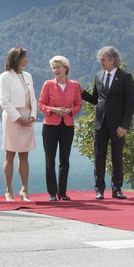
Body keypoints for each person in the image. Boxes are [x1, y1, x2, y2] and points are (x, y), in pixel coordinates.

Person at [81, 46, 134, 200]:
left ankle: (117, 189)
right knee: (99, 157)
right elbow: (95, 99)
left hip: (118, 126)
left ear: (113, 60)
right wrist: (82, 93)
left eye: (103, 59)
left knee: (117, 156)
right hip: (100, 123)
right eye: (100, 59)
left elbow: (130, 103)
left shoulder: (125, 77)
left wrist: (125, 125)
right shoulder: (98, 76)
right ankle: (99, 189)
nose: (100, 62)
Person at [38, 56, 81, 201]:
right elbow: (41, 104)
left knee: (65, 160)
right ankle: (52, 193)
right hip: (50, 126)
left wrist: (70, 111)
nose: (56, 70)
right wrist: (54, 109)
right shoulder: (48, 84)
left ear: (65, 68)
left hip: (67, 126)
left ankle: (62, 192)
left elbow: (78, 105)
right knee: (50, 160)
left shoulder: (74, 85)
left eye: (58, 67)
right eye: (54, 68)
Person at [0, 46, 37, 201]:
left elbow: (33, 98)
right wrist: (18, 117)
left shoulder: (28, 76)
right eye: (24, 57)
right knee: (10, 154)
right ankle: (8, 191)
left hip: (27, 117)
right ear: (17, 58)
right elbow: (4, 101)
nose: (27, 59)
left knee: (24, 155)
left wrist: (33, 116)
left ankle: (24, 190)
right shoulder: (5, 76)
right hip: (13, 117)